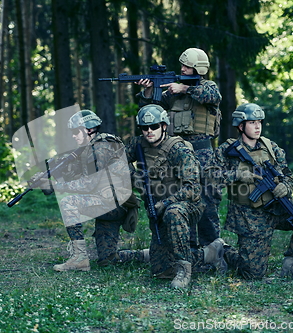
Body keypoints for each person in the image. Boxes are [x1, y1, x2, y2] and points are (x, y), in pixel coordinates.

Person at [212, 103, 293, 279]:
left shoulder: (271, 147)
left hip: (276, 208)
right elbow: (209, 175)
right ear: (241, 126)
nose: (257, 126)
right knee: (253, 274)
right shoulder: (227, 149)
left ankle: (291, 265)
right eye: (252, 122)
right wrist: (238, 175)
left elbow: (287, 174)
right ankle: (222, 250)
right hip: (249, 216)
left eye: (259, 122)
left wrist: (285, 186)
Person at [125, 104, 227, 289]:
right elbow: (118, 160)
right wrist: (135, 177)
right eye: (144, 127)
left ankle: (184, 271)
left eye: (154, 126)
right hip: (159, 209)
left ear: (164, 126)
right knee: (161, 270)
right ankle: (210, 253)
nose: (149, 131)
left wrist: (166, 202)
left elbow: (193, 189)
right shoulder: (138, 144)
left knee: (174, 212)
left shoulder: (178, 150)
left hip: (187, 206)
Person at [136, 47, 221, 252]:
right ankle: (188, 248)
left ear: (198, 69)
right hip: (178, 154)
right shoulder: (172, 92)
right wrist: (148, 92)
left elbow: (213, 96)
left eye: (187, 66)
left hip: (203, 154)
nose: (182, 68)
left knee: (207, 200)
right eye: (182, 65)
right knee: (181, 197)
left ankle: (212, 248)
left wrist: (184, 88)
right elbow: (153, 110)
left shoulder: (207, 86)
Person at [50, 110, 147, 272]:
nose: (73, 136)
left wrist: (57, 187)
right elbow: (78, 177)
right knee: (107, 260)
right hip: (110, 203)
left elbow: (90, 184)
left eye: (76, 132)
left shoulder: (100, 147)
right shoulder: (89, 149)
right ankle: (148, 255)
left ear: (88, 130)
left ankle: (79, 258)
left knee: (68, 202)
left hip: (114, 204)